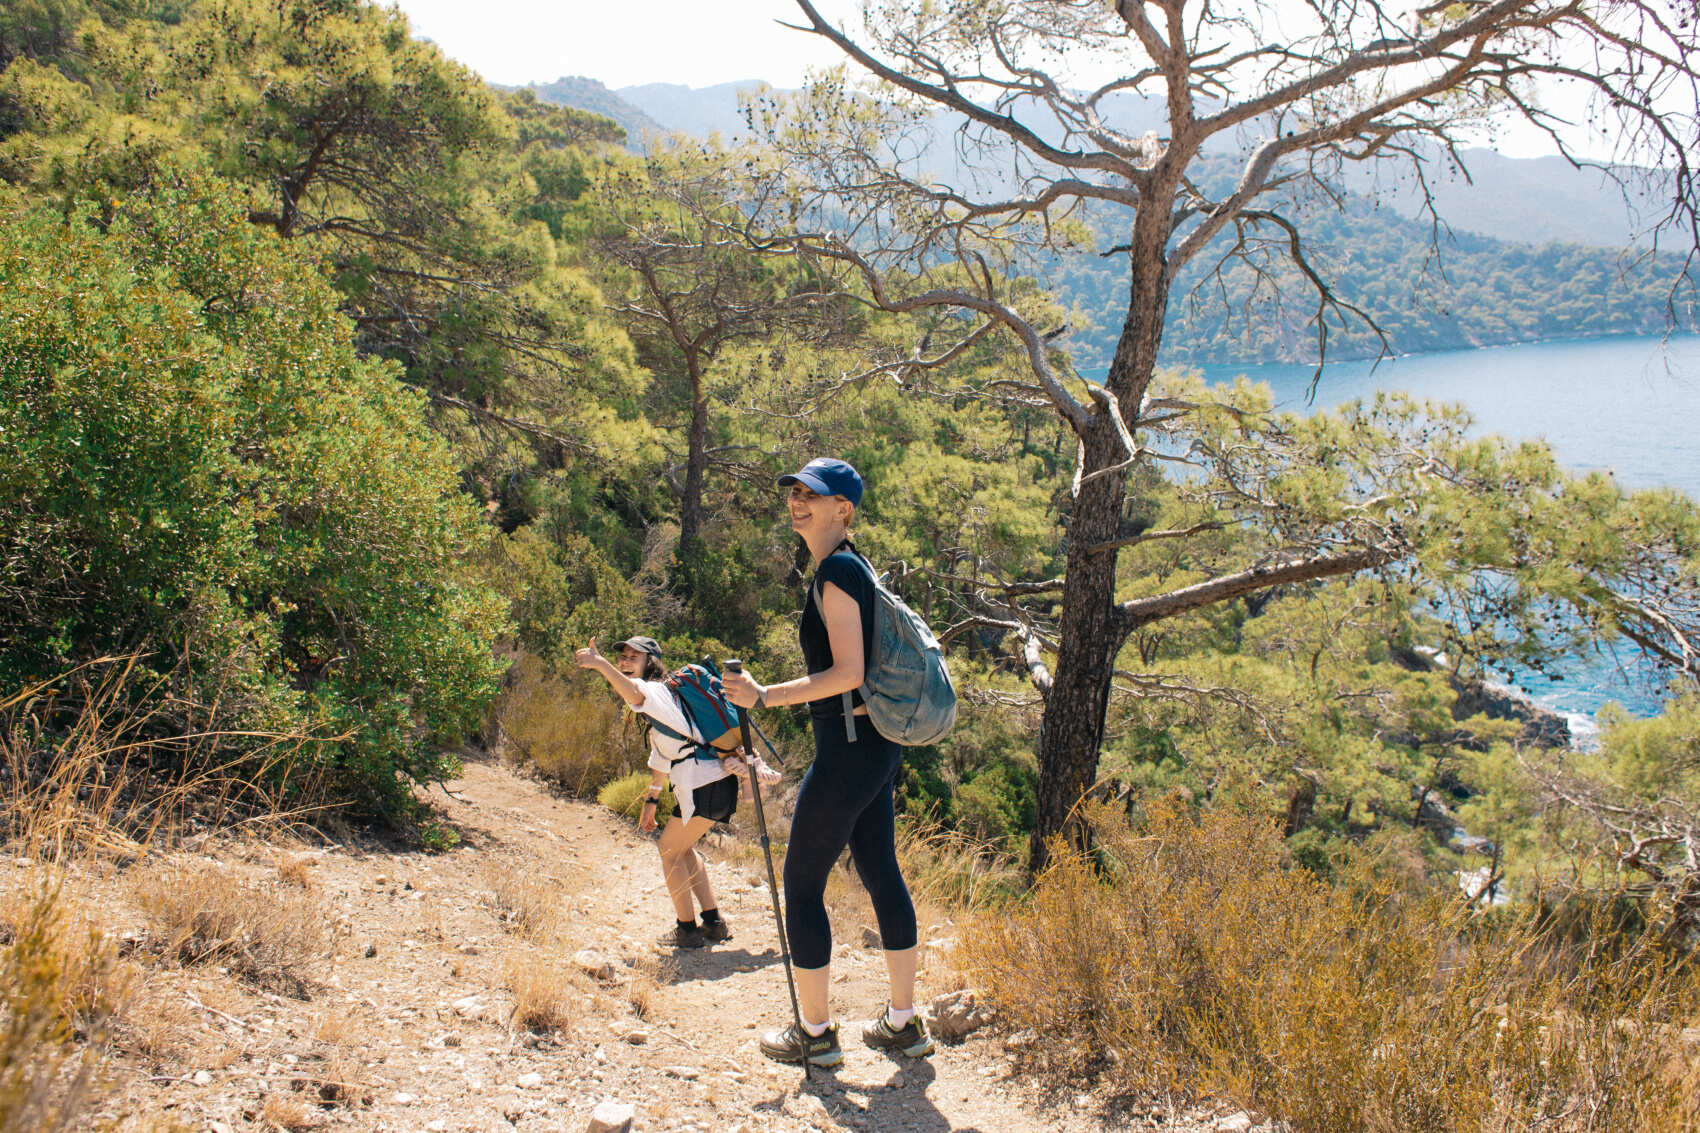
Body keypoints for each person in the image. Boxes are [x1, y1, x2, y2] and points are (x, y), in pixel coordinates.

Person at [722, 457, 934, 1066]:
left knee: (803, 885)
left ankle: (814, 1035)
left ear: (844, 509)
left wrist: (765, 695)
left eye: (812, 494)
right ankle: (902, 1024)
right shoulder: (850, 566)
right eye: (794, 491)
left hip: (847, 751)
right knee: (880, 871)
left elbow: (847, 673)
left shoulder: (837, 572)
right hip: (874, 746)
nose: (797, 500)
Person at [574, 635, 734, 950]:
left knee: (668, 851)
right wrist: (652, 799)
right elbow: (663, 754)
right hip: (713, 786)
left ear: (651, 662)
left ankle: (687, 931)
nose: (626, 660)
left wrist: (601, 664)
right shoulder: (666, 698)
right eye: (622, 656)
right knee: (683, 850)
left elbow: (633, 691)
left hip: (705, 787)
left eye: (635, 656)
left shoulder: (656, 691)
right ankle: (713, 923)